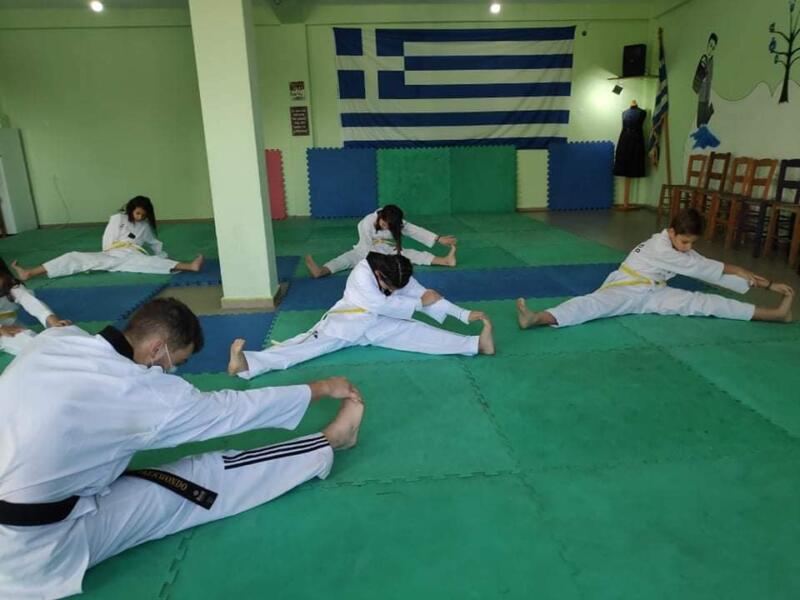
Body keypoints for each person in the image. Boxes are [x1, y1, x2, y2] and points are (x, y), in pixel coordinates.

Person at [0, 298, 364, 599]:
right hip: (33, 551)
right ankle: (330, 440)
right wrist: (320, 388)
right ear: (157, 348)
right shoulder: (138, 391)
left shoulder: (56, 340)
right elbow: (232, 411)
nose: (173, 370)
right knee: (203, 477)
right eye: (179, 361)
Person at [516, 208, 794, 329]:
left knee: (705, 303)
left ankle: (775, 314)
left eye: (692, 243)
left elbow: (707, 266)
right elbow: (707, 268)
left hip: (656, 292)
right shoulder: (662, 248)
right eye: (684, 241)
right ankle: (537, 318)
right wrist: (763, 281)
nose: (687, 247)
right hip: (626, 288)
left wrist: (767, 284)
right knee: (590, 305)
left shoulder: (678, 247)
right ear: (671, 232)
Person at [230, 252, 495, 379]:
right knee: (304, 346)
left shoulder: (396, 270)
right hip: (346, 324)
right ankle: (248, 364)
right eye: (391, 287)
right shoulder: (361, 274)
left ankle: (477, 344)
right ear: (379, 275)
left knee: (418, 333)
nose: (395, 290)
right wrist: (418, 303)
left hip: (378, 325)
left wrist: (463, 314)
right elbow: (383, 304)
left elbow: (427, 295)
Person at [11, 196, 204, 281]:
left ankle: (189, 266)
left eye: (143, 215)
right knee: (73, 256)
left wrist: (162, 256)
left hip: (132, 255)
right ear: (131, 209)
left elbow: (154, 243)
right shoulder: (117, 219)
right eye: (137, 213)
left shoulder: (145, 226)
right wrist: (101, 259)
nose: (139, 217)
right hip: (111, 254)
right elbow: (107, 240)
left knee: (152, 263)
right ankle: (29, 272)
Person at [304, 204, 457, 279]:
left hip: (387, 250)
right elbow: (366, 249)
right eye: (384, 224)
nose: (386, 227)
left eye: (389, 226)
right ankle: (321, 271)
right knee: (345, 259)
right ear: (380, 216)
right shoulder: (365, 223)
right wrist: (379, 264)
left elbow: (414, 230)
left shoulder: (396, 221)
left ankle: (446, 261)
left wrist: (438, 238)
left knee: (411, 254)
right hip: (365, 250)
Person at [0, 257, 71, 356]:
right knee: (28, 345)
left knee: (29, 338)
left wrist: (53, 322)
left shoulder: (11, 286)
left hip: (10, 325)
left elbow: (31, 302)